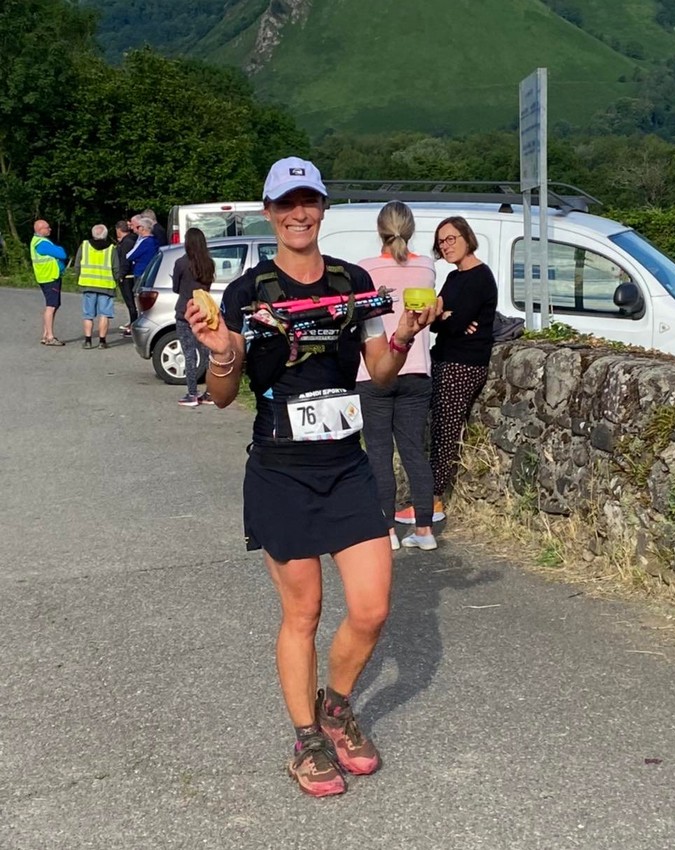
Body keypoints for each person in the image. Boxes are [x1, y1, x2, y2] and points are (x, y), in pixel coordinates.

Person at [185, 156, 437, 798]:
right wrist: (221, 355)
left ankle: (336, 707)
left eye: (309, 201)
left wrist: (404, 336)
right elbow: (224, 395)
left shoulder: (355, 282)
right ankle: (307, 741)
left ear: (323, 208)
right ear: (269, 212)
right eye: (286, 203)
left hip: (347, 464)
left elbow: (380, 370)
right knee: (304, 612)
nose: (299, 214)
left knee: (372, 608)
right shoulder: (248, 292)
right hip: (281, 469)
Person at [355, 201, 438, 552]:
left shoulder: (364, 269)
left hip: (373, 371)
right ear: (411, 228)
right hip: (416, 369)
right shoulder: (427, 267)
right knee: (414, 451)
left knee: (378, 452)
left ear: (379, 231)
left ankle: (387, 529)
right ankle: (424, 529)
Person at [428, 216, 498, 519]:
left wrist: (448, 318)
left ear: (467, 237)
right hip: (443, 357)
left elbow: (453, 322)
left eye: (450, 239)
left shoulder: (480, 277)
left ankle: (434, 499)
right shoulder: (454, 277)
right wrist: (445, 318)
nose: (445, 246)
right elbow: (434, 319)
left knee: (446, 428)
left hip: (464, 363)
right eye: (441, 242)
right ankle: (427, 494)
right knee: (435, 426)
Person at [172, 227, 214, 407]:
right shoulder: (209, 263)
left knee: (189, 354)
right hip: (203, 312)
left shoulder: (181, 263)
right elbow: (208, 286)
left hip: (184, 312)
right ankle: (210, 392)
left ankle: (192, 394)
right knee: (208, 353)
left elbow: (175, 288)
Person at [74, 224, 119, 350]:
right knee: (104, 314)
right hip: (106, 286)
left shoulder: (84, 245)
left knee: (88, 314)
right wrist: (116, 280)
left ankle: (88, 341)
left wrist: (78, 278)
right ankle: (102, 341)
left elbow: (77, 265)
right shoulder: (111, 248)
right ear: (105, 235)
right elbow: (116, 268)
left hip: (88, 284)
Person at [30, 220, 67, 346]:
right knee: (51, 306)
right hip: (50, 277)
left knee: (53, 305)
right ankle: (50, 336)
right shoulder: (42, 243)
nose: (50, 229)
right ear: (40, 230)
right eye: (47, 227)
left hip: (45, 277)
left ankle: (46, 334)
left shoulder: (36, 241)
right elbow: (62, 254)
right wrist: (59, 249)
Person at [115, 220, 138, 335]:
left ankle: (133, 325)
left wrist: (121, 275)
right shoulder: (130, 240)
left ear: (119, 230)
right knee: (131, 303)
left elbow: (125, 260)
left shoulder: (127, 242)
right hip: (129, 275)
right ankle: (132, 322)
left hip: (127, 276)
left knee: (130, 302)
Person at [126, 216, 159, 286]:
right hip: (151, 272)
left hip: (140, 272)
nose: (137, 229)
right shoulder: (155, 241)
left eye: (138, 227)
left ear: (142, 228)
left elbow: (129, 256)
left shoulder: (144, 241)